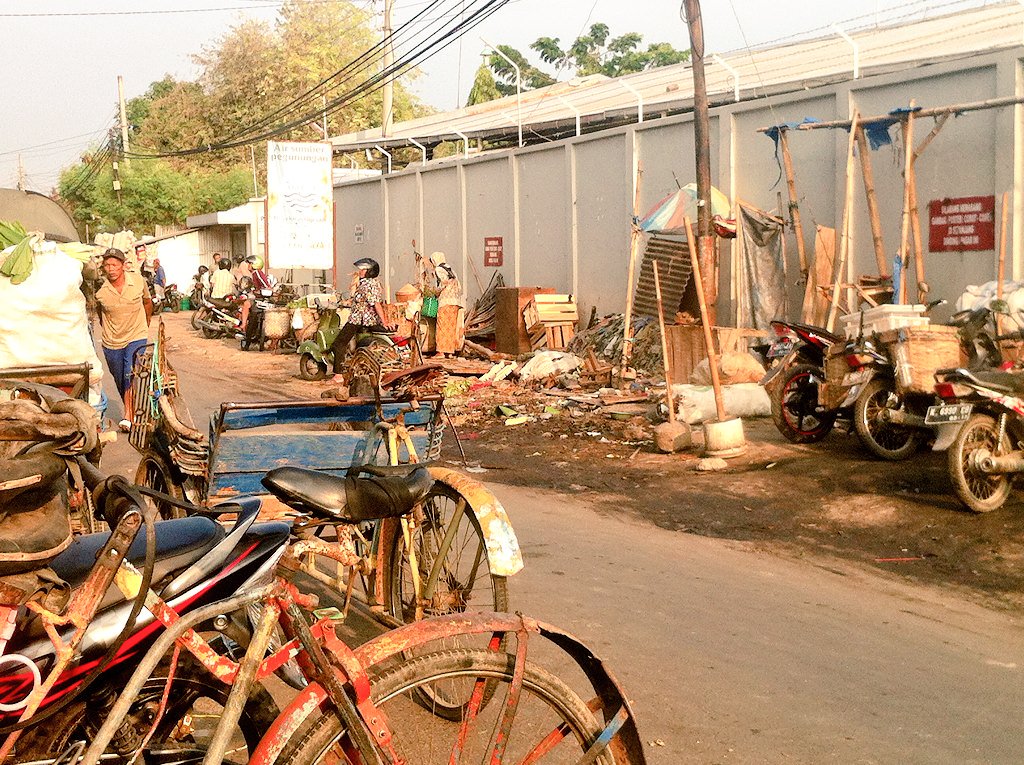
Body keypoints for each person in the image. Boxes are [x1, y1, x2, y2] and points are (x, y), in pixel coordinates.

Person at [94, 248, 152, 432]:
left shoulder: (137, 281)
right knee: (120, 378)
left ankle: (129, 415)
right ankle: (133, 407)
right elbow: (99, 314)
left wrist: (145, 324)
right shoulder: (101, 291)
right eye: (107, 265)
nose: (111, 269)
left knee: (130, 372)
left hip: (136, 335)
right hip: (112, 342)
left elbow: (147, 303)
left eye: (114, 265)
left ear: (122, 265)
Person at [330, 257, 392, 383]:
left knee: (339, 344)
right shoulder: (371, 283)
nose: (360, 271)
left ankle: (338, 375)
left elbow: (376, 304)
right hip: (364, 318)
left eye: (363, 269)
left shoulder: (367, 284)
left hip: (359, 319)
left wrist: (384, 321)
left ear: (369, 271)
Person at [429, 251, 465, 357]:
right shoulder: (450, 269)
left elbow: (442, 283)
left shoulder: (438, 269)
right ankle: (449, 351)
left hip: (445, 301)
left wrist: (435, 292)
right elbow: (458, 286)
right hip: (455, 302)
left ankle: (440, 351)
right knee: (451, 326)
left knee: (442, 326)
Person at [238, 255, 277, 337]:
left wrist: (261, 290)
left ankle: (243, 325)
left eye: (250, 264)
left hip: (261, 299)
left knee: (246, 304)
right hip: (259, 297)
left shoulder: (257, 273)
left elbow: (265, 285)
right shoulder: (254, 274)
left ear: (255, 264)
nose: (248, 266)